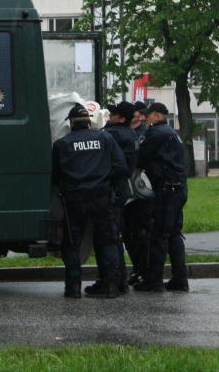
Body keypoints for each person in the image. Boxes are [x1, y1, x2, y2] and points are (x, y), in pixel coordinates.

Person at [52, 104, 129, 299]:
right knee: (107, 241)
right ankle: (110, 285)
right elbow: (121, 168)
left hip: (75, 200)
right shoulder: (105, 138)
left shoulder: (62, 145)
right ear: (88, 122)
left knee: (72, 244)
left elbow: (55, 176)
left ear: (70, 123)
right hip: (102, 198)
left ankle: (73, 287)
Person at [85, 101, 139, 296]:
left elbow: (110, 164)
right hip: (120, 190)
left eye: (113, 114)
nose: (110, 116)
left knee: (106, 238)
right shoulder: (130, 134)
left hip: (110, 191)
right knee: (114, 237)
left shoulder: (112, 135)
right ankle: (119, 280)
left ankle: (109, 283)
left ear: (121, 118)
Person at [135, 102, 189, 292]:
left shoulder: (156, 133)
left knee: (158, 235)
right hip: (178, 188)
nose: (145, 118)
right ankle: (180, 279)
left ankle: (154, 280)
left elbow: (140, 158)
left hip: (166, 191)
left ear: (157, 115)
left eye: (148, 115)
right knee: (174, 233)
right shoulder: (171, 132)